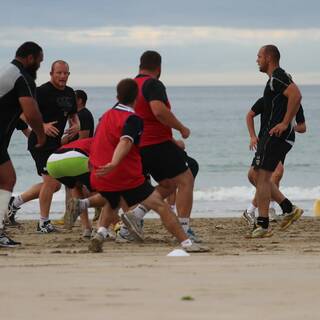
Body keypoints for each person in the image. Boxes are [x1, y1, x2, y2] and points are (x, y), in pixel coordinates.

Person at [85, 78, 208, 252]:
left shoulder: (106, 116)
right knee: (161, 205)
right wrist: (114, 163)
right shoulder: (133, 118)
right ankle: (187, 242)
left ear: (117, 95)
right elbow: (126, 142)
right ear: (137, 97)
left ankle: (100, 233)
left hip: (101, 175)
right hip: (125, 176)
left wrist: (94, 164)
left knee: (113, 202)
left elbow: (98, 141)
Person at [130, 50, 198, 241]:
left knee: (168, 183)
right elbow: (158, 111)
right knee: (186, 180)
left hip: (139, 146)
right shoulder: (153, 83)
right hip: (155, 144)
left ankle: (134, 217)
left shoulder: (132, 85)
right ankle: (183, 229)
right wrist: (181, 128)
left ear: (139, 66)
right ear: (159, 68)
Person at [9, 60, 80, 233]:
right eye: (59, 73)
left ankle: (15, 202)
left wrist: (76, 124)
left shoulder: (70, 93)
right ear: (51, 74)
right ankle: (43, 223)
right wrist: (42, 126)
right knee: (50, 181)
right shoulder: (40, 92)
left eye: (66, 73)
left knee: (54, 185)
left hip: (56, 145)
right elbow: (22, 114)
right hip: (39, 142)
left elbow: (73, 115)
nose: (63, 76)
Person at [249, 44, 304, 238]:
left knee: (262, 177)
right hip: (269, 136)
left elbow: (296, 95)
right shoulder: (275, 79)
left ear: (269, 58)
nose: (257, 60)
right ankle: (288, 208)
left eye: (259, 56)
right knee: (254, 175)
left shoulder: (277, 76)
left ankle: (263, 224)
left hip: (276, 136)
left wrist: (285, 123)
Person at [0, 41, 46, 246]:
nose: (38, 66)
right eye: (39, 61)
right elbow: (31, 112)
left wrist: (26, 128)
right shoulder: (22, 77)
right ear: (30, 58)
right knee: (7, 179)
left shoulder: (7, 72)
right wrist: (40, 133)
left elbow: (14, 112)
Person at [243, 97, 306, 225]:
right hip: (266, 142)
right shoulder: (268, 99)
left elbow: (303, 127)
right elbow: (249, 115)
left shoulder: (295, 104)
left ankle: (268, 210)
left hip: (282, 142)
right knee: (263, 175)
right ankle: (272, 208)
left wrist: (289, 126)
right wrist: (253, 136)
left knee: (275, 175)